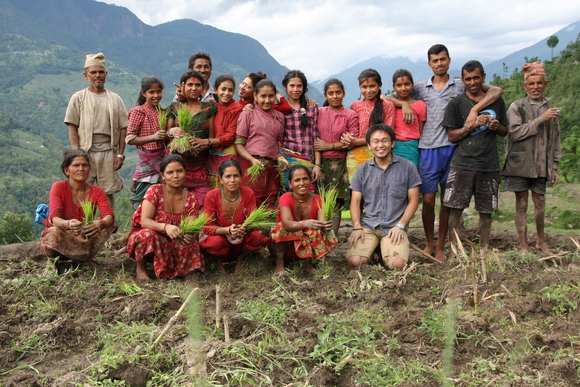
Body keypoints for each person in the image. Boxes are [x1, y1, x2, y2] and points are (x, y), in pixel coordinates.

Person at [386, 44, 503, 261]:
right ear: (429, 64)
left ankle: (442, 245)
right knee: (429, 200)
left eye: (442, 59)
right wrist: (404, 104)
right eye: (435, 60)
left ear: (449, 60)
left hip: (454, 150)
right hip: (427, 151)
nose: (439, 64)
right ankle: (430, 244)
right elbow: (389, 97)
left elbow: (497, 91)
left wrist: (476, 109)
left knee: (447, 201)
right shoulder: (420, 87)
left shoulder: (461, 84)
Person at [442, 60, 509, 255]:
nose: (472, 82)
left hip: (489, 164)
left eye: (476, 78)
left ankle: (484, 250)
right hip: (462, 163)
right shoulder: (456, 103)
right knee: (455, 208)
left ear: (484, 77)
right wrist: (471, 126)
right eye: (468, 79)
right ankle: (455, 250)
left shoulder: (496, 101)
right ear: (462, 80)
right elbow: (452, 136)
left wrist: (497, 127)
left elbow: (505, 132)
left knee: (486, 211)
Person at [503, 61, 562, 256]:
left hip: (541, 165)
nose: (535, 87)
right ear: (525, 86)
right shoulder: (516, 107)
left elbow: (556, 139)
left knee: (540, 204)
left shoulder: (551, 109)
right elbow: (515, 133)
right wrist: (540, 119)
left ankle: (541, 241)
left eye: (539, 83)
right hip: (520, 164)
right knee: (521, 204)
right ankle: (523, 244)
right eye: (531, 83)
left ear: (546, 84)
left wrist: (554, 166)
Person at [346, 124, 421, 270]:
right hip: (369, 225)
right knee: (355, 261)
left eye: (385, 140)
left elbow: (414, 200)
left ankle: (384, 249)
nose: (380, 145)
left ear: (392, 143)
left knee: (396, 265)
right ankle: (375, 248)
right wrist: (356, 227)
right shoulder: (362, 169)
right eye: (375, 141)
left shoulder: (408, 167)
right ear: (369, 145)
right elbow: (355, 202)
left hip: (394, 226)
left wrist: (401, 225)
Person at [64, 53, 128, 208]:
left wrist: (120, 154)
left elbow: (123, 128)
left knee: (108, 191)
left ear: (106, 75)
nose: (97, 75)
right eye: (93, 72)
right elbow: (72, 125)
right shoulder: (78, 98)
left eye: (100, 72)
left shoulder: (115, 99)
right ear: (86, 75)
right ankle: (83, 226)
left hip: (108, 151)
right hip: (86, 151)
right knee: (82, 189)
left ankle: (108, 227)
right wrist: (76, 153)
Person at [126, 155, 203, 280]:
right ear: (162, 176)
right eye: (170, 172)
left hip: (174, 242)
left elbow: (192, 229)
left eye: (179, 171)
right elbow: (145, 221)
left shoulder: (191, 198)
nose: (175, 176)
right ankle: (141, 269)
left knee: (191, 244)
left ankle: (181, 272)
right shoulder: (155, 191)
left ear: (185, 173)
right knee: (147, 235)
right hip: (152, 240)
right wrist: (165, 227)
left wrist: (189, 236)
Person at [40, 149, 117, 274]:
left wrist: (100, 224)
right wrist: (68, 224)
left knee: (110, 222)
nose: (81, 169)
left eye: (84, 165)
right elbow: (54, 218)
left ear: (89, 169)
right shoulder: (59, 187)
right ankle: (52, 260)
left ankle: (84, 258)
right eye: (76, 165)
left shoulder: (96, 191)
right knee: (52, 232)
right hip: (64, 234)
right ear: (66, 170)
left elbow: (108, 214)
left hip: (85, 234)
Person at [200, 160, 269, 273]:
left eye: (236, 176)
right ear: (221, 180)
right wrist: (227, 230)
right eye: (228, 176)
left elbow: (254, 221)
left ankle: (240, 258)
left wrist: (244, 228)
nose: (232, 180)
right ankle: (218, 262)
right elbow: (207, 227)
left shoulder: (248, 193)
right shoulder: (212, 196)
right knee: (214, 242)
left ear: (241, 178)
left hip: (241, 238)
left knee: (257, 237)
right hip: (221, 239)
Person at [313, 78, 359, 236]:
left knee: (337, 202)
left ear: (344, 94)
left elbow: (351, 141)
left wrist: (329, 146)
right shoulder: (318, 112)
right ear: (325, 95)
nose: (334, 96)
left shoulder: (350, 115)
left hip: (341, 163)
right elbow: (315, 138)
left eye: (338, 92)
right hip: (321, 163)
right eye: (330, 93)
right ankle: (320, 239)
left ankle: (332, 239)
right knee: (320, 202)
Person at [272, 165, 337, 274]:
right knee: (281, 228)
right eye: (297, 180)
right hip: (286, 247)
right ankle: (280, 262)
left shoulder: (318, 199)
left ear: (311, 181)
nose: (302, 183)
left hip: (308, 247)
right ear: (290, 184)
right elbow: (287, 224)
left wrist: (326, 225)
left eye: (305, 179)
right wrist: (305, 224)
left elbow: (322, 223)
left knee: (317, 229)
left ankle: (308, 262)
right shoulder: (286, 197)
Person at [166, 70, 218, 206]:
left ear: (202, 87)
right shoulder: (175, 107)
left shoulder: (209, 108)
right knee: (174, 202)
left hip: (199, 163)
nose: (194, 88)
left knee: (203, 203)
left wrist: (203, 143)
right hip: (176, 162)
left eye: (198, 85)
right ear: (183, 87)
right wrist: (172, 131)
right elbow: (165, 134)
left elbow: (211, 138)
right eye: (190, 85)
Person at [235, 79, 286, 209]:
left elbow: (279, 142)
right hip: (251, 166)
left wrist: (280, 156)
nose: (267, 100)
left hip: (271, 169)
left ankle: (265, 230)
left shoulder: (279, 116)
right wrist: (252, 160)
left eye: (271, 96)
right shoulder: (248, 114)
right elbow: (239, 144)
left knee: (269, 206)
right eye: (263, 96)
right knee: (250, 205)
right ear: (255, 96)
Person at [342, 69, 395, 181]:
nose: (368, 90)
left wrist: (358, 141)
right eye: (364, 87)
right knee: (357, 189)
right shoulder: (355, 106)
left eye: (372, 86)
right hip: (356, 154)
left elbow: (388, 133)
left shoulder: (388, 106)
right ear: (360, 87)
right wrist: (348, 138)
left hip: (379, 152)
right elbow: (351, 130)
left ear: (379, 85)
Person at [126, 75, 169, 209]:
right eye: (151, 92)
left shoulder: (164, 112)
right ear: (143, 93)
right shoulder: (138, 111)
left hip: (163, 161)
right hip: (146, 162)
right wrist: (154, 137)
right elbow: (130, 139)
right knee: (143, 199)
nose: (156, 95)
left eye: (158, 91)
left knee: (161, 200)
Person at [279, 70, 321, 190]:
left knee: (307, 199)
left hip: (308, 160)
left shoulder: (311, 108)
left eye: (299, 86)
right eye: (292, 85)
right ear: (285, 87)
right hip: (287, 160)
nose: (295, 89)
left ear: (304, 88)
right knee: (287, 198)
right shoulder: (280, 109)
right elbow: (278, 139)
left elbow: (315, 138)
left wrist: (317, 165)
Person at [207, 74, 244, 189]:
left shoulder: (237, 109)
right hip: (212, 156)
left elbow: (230, 136)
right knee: (213, 189)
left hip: (229, 156)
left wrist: (206, 142)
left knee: (229, 186)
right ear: (215, 90)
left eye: (230, 90)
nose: (226, 93)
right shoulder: (212, 107)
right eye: (223, 89)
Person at [391, 69, 426, 168]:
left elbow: (421, 131)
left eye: (407, 84)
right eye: (399, 85)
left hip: (412, 149)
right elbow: (384, 99)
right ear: (393, 87)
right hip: (394, 147)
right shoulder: (391, 105)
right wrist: (403, 104)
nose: (403, 88)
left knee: (412, 178)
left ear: (412, 85)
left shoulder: (420, 105)